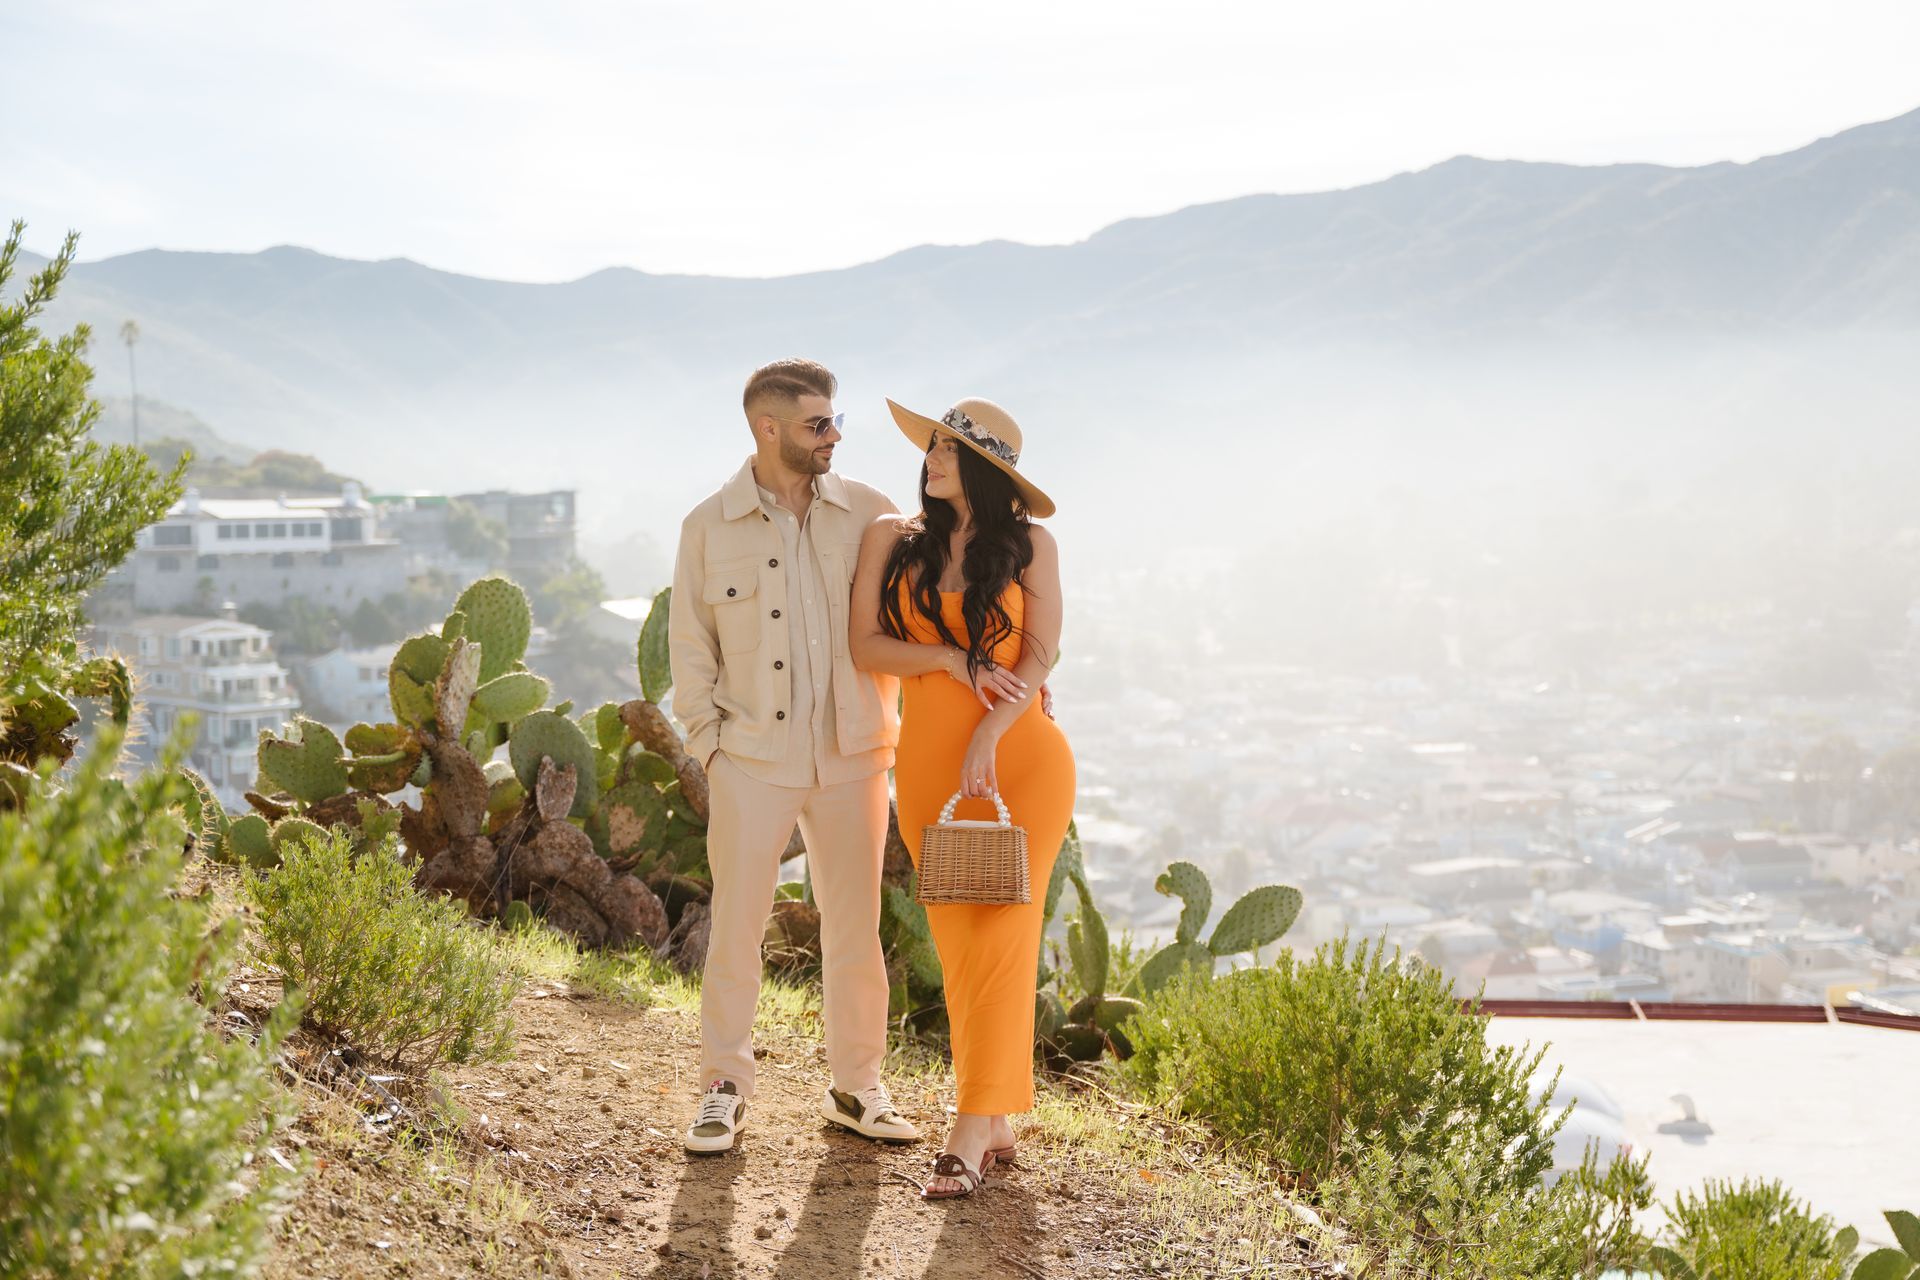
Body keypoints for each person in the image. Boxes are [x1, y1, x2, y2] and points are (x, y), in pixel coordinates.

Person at [668, 358, 921, 1154]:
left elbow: (933, 607)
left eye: (836, 420)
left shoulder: (872, 514)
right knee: (737, 927)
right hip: (751, 760)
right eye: (819, 424)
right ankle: (722, 1089)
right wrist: (712, 752)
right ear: (768, 428)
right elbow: (691, 654)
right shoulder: (707, 527)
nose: (834, 436)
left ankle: (858, 1087)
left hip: (855, 756)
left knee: (856, 929)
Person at [849, 396, 1076, 1199]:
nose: (932, 456)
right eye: (932, 444)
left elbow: (1041, 654)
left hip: (1023, 762)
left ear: (985, 469)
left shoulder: (1031, 546)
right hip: (928, 769)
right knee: (958, 942)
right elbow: (865, 644)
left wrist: (991, 730)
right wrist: (951, 662)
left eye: (950, 448)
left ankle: (969, 1128)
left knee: (1007, 933)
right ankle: (1000, 1112)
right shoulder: (894, 540)